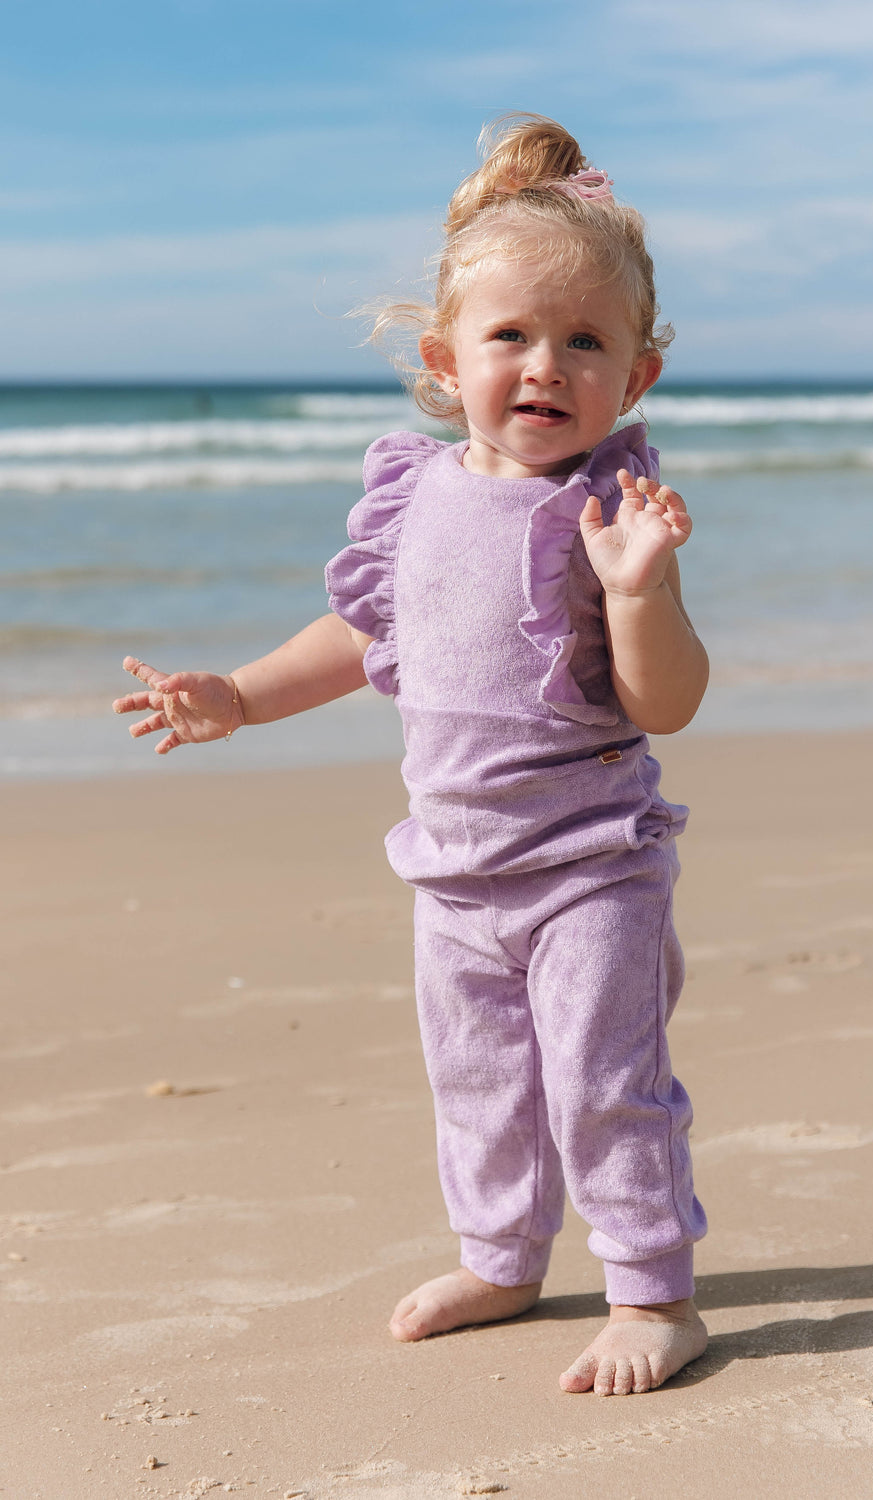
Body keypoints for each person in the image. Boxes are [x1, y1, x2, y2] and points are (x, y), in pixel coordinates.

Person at [113, 114, 711, 1397]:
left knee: (606, 1086)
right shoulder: (416, 494)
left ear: (637, 378)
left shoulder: (608, 516)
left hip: (590, 870)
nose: (545, 366)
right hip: (452, 873)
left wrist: (636, 594)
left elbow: (666, 704)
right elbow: (362, 632)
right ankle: (502, 1258)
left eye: (585, 342)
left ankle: (655, 1292)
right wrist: (238, 696)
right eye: (512, 337)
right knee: (480, 1084)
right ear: (447, 359)